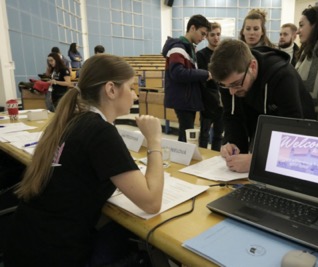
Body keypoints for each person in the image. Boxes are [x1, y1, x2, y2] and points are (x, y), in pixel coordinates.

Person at [4, 54, 165, 266]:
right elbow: (152, 202)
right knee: (141, 243)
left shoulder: (73, 120)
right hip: (57, 254)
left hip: (26, 245)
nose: (135, 95)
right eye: (131, 87)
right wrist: (154, 140)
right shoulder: (100, 132)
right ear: (111, 89)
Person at [209, 39, 316, 173]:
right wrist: (231, 145)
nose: (232, 91)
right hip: (261, 132)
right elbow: (232, 116)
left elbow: (293, 133)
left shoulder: (283, 76)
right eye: (226, 86)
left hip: (300, 144)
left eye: (236, 84)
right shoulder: (230, 81)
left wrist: (258, 160)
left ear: (252, 66)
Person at [162, 14, 212, 142]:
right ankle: (181, 160)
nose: (203, 38)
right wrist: (204, 74)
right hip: (183, 99)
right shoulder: (178, 47)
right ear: (192, 28)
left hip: (187, 98)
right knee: (185, 135)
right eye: (202, 33)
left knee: (186, 134)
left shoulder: (189, 48)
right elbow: (177, 73)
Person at [196, 22, 224, 151]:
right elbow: (203, 80)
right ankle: (201, 161)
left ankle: (215, 161)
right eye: (212, 35)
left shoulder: (224, 54)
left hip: (222, 101)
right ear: (206, 36)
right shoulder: (201, 55)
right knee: (204, 135)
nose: (216, 37)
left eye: (218, 34)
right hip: (207, 102)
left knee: (218, 135)